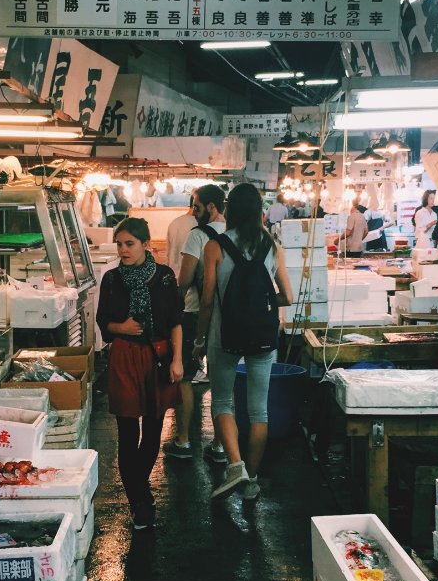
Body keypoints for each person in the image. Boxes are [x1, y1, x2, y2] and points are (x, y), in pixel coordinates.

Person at [194, 183, 293, 501]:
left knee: (222, 402)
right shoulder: (272, 245)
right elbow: (287, 297)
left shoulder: (214, 246)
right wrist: (261, 303)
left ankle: (234, 465)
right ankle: (251, 480)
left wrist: (199, 340)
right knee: (258, 410)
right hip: (263, 335)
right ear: (259, 211)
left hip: (224, 336)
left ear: (230, 210)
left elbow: (207, 300)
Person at [96, 217, 183, 531]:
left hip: (158, 357)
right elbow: (103, 321)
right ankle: (138, 502)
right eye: (119, 244)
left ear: (146, 244)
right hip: (124, 356)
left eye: (129, 244)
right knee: (127, 431)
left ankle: (140, 487)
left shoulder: (164, 277)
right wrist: (122, 327)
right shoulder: (111, 279)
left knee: (154, 429)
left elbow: (175, 320)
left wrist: (178, 361)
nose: (123, 250)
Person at [166, 184, 227, 463]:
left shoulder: (198, 236)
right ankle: (218, 444)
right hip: (226, 316)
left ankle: (183, 440)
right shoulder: (234, 234)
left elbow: (185, 279)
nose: (194, 211)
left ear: (211, 207)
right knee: (221, 382)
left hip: (194, 313)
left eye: (197, 206)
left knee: (187, 377)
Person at [165, 204, 196, 278]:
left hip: (173, 275)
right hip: (189, 278)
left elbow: (168, 252)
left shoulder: (174, 222)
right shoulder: (199, 225)